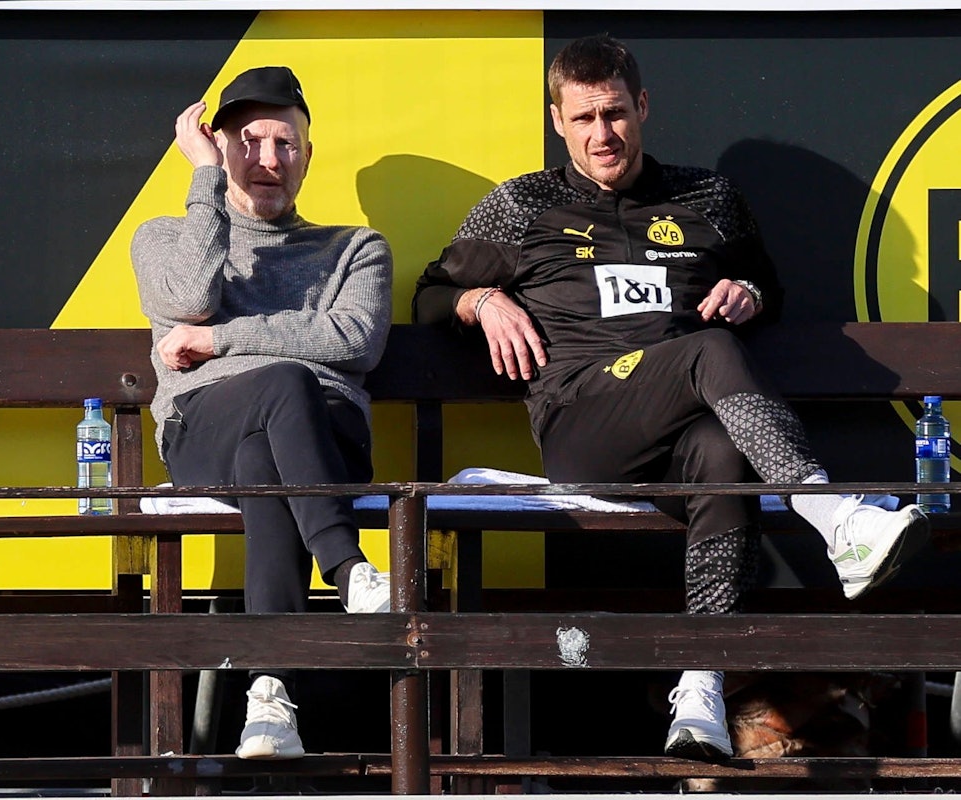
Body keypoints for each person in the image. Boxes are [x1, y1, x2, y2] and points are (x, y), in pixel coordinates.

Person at [412, 34, 930, 762]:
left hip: (685, 431)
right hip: (584, 425)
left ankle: (700, 687)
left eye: (616, 114)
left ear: (643, 106)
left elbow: (765, 285)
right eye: (584, 118)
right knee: (709, 351)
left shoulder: (705, 197)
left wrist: (747, 292)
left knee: (722, 451)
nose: (603, 135)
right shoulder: (521, 205)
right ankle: (833, 512)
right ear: (557, 120)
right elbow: (431, 294)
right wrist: (482, 299)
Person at [131, 65, 393, 761]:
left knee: (266, 452)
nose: (268, 160)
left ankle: (269, 697)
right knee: (279, 387)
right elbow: (187, 298)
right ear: (218, 146)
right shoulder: (164, 237)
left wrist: (220, 339)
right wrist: (204, 183)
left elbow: (354, 341)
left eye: (286, 144)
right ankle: (347, 571)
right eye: (248, 142)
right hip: (201, 432)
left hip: (327, 441)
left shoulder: (355, 248)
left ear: (308, 155)